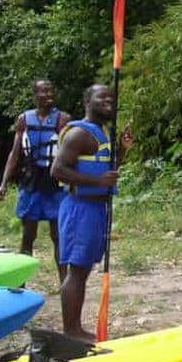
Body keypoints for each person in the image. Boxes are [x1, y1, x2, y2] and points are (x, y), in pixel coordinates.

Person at [51, 84, 132, 342]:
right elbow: (58, 170)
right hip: (79, 208)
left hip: (96, 207)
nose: (109, 101)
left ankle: (75, 328)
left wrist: (121, 150)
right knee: (76, 269)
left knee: (83, 269)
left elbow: (105, 170)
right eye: (102, 97)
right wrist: (97, 183)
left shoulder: (102, 133)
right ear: (88, 101)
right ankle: (71, 331)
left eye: (111, 97)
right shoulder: (78, 134)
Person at [0, 79, 71, 283]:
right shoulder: (24, 119)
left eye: (51, 90)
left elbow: (72, 154)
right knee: (28, 236)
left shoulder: (63, 119)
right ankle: (20, 283)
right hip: (31, 182)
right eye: (43, 91)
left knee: (58, 237)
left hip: (55, 183)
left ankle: (65, 283)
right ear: (34, 94)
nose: (48, 94)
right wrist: (4, 183)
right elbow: (15, 153)